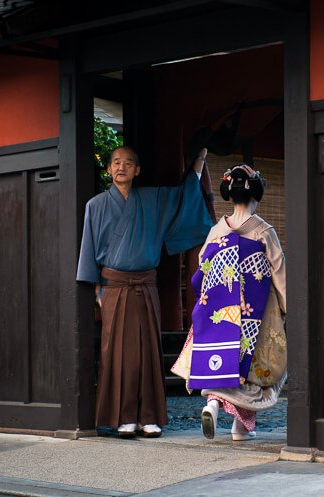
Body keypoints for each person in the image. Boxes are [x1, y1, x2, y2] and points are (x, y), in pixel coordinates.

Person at [77, 146, 212, 438]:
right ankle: (125, 417)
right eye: (116, 163)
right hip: (114, 288)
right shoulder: (96, 206)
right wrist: (98, 292)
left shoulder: (153, 200)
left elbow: (182, 198)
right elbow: (88, 250)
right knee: (119, 354)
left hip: (146, 285)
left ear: (137, 170)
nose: (121, 167)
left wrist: (198, 162)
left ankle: (149, 416)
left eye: (128, 163)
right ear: (109, 169)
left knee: (148, 351)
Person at [171, 164, 287, 441]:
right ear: (256, 196)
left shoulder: (215, 232)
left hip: (218, 310)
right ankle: (239, 428)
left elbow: (202, 273)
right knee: (252, 368)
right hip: (256, 314)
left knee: (218, 359)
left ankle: (212, 404)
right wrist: (286, 307)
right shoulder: (263, 231)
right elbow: (279, 272)